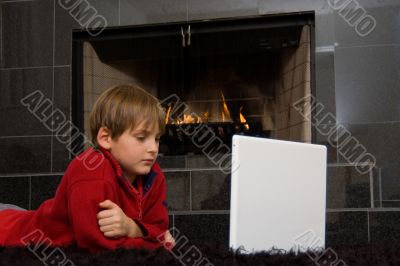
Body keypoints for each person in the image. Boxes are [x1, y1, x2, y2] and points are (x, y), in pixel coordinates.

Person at [0, 84, 174, 252]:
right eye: (141, 137)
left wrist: (133, 228)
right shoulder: (91, 170)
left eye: (157, 138)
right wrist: (157, 244)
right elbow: (97, 244)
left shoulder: (154, 174)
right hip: (11, 229)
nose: (153, 148)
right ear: (106, 138)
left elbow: (159, 228)